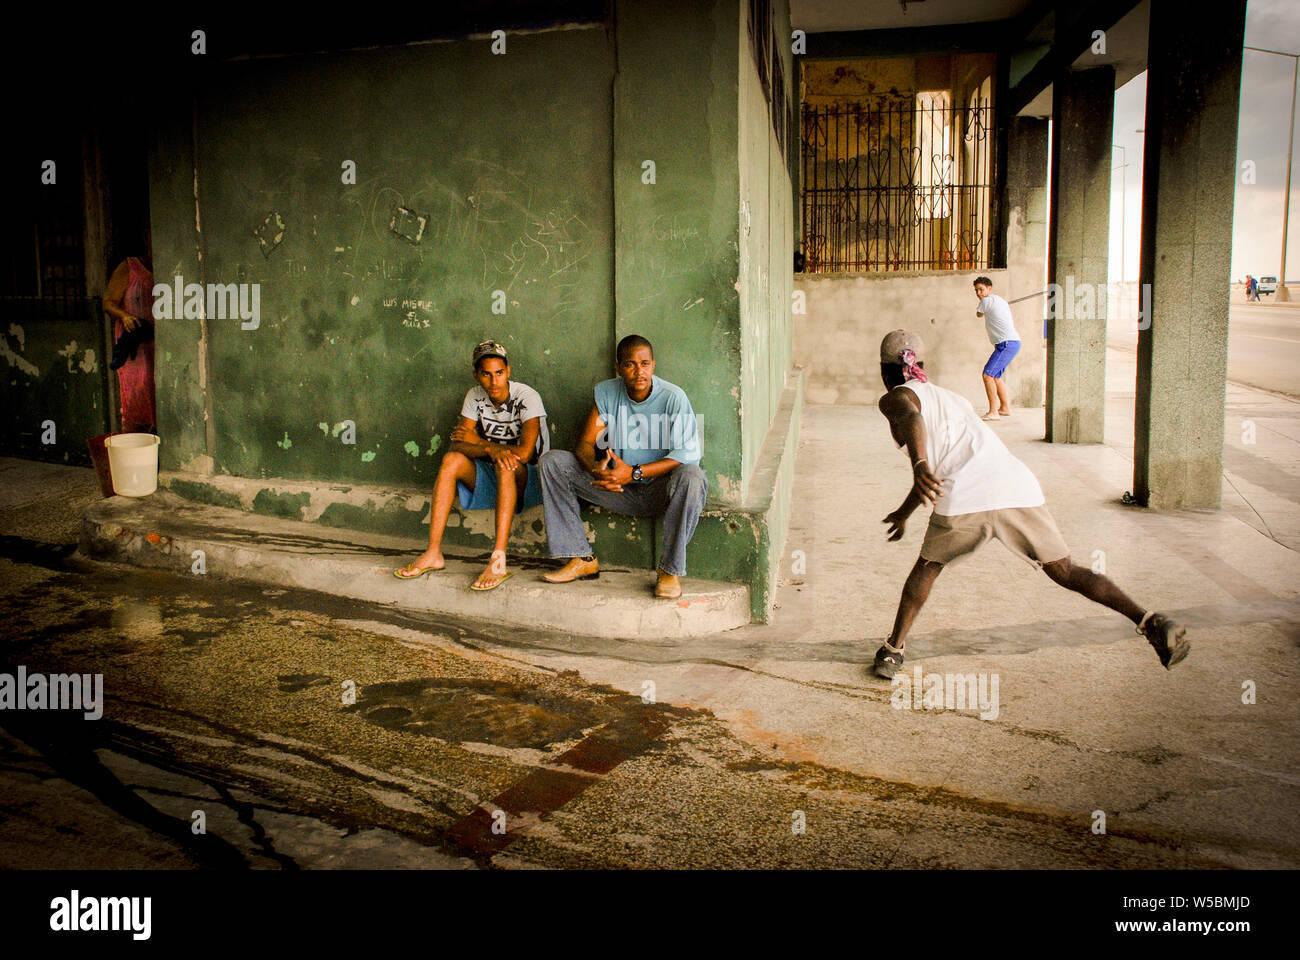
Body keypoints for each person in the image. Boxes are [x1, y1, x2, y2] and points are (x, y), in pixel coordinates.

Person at [871, 329, 1189, 680]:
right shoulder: (954, 399)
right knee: (1066, 570)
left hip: (965, 495)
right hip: (1016, 486)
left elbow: (912, 422)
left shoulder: (893, 398)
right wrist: (905, 510)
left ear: (884, 371)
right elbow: (935, 472)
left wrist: (919, 465)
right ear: (921, 365)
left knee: (928, 568)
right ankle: (1149, 620)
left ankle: (893, 650)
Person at [538, 334, 706, 599]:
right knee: (552, 462)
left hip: (660, 491)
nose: (639, 371)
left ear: (653, 365)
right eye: (630, 364)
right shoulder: (606, 392)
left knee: (693, 477)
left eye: (645, 363)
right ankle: (581, 558)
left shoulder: (673, 397)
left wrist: (633, 472)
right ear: (618, 367)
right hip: (616, 488)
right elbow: (585, 442)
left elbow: (685, 455)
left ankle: (669, 571)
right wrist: (596, 469)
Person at [394, 340, 549, 591]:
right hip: (494, 473)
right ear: (476, 375)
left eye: (499, 373)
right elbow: (458, 445)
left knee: (506, 463)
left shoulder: (527, 397)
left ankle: (498, 560)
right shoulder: (474, 396)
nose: (494, 381)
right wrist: (490, 448)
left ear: (508, 371)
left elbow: (524, 453)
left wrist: (480, 443)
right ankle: (433, 552)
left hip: (528, 478)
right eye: (486, 374)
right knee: (451, 461)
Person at [102, 255, 156, 433]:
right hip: (135, 340)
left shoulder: (164, 263)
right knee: (138, 390)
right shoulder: (129, 266)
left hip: (157, 341)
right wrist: (125, 316)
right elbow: (108, 303)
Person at [972, 275, 1020, 422]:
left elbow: (978, 314)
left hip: (1006, 344)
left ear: (989, 289)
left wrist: (984, 305)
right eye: (976, 291)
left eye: (981, 289)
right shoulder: (1000, 300)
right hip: (1011, 343)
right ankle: (1005, 408)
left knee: (987, 375)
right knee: (995, 377)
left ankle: (993, 411)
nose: (979, 293)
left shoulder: (986, 301)